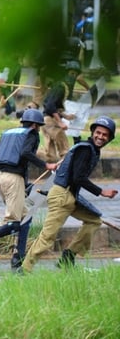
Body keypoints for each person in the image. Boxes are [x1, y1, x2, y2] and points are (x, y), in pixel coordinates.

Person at [22, 116, 118, 273]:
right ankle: (24, 269)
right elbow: (78, 178)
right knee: (47, 237)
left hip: (70, 196)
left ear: (110, 138)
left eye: (105, 135)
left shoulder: (91, 149)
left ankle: (68, 256)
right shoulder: (85, 150)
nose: (100, 137)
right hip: (62, 196)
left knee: (94, 221)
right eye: (98, 133)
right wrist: (102, 192)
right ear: (93, 132)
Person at [0, 109, 57, 271]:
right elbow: (26, 153)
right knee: (13, 222)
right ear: (34, 125)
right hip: (14, 179)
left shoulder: (8, 133)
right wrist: (45, 165)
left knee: (25, 217)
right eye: (38, 126)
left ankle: (18, 258)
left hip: (1, 177)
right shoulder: (32, 134)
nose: (38, 129)